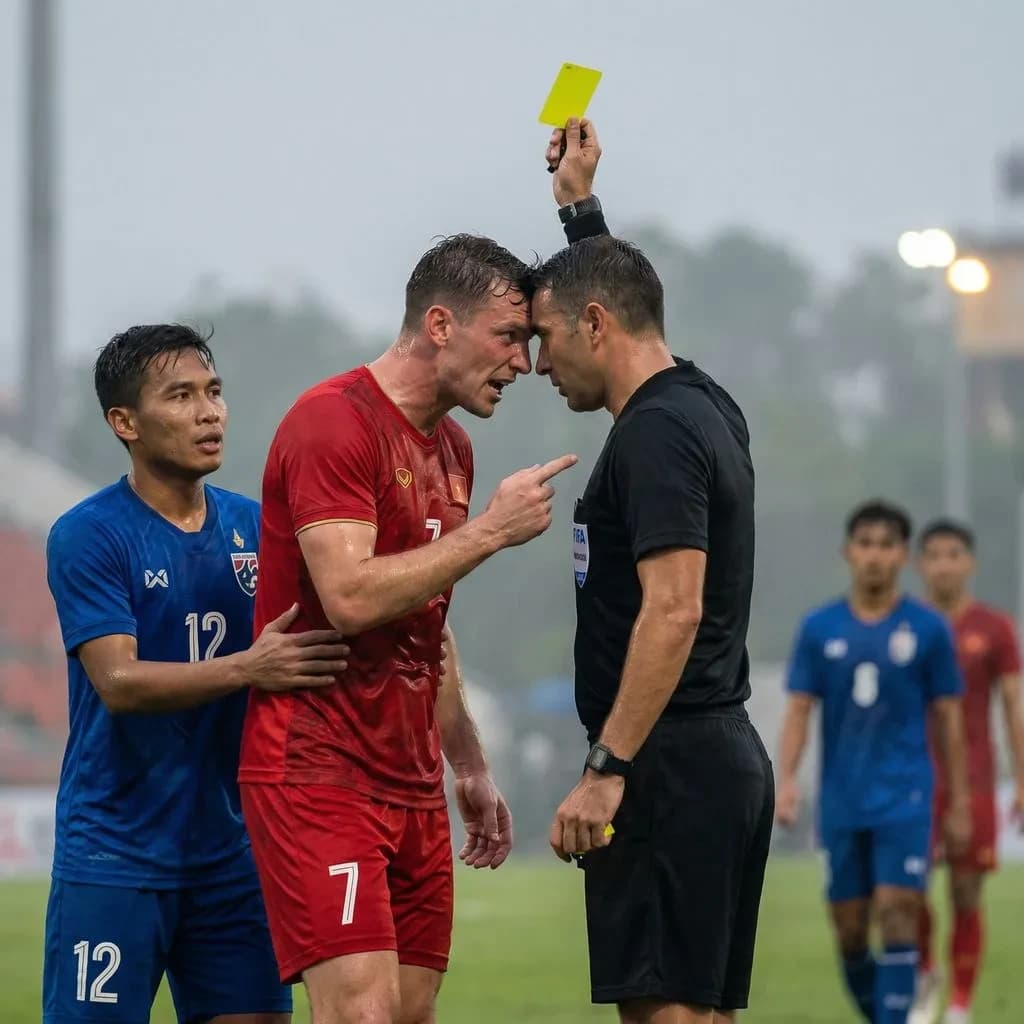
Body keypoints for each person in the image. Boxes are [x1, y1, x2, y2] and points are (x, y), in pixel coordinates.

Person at [238, 201, 610, 1023]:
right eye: (509, 337)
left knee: (406, 1016)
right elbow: (351, 596)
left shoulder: (453, 447)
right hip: (318, 766)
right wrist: (487, 534)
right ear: (440, 323)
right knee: (361, 1015)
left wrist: (468, 766)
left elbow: (425, 624)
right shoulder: (334, 420)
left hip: (409, 778)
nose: (525, 361)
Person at [534, 120, 774, 1024]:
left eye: (546, 338)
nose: (536, 363)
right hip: (709, 758)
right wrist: (579, 212)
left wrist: (607, 765)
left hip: (667, 764)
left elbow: (673, 610)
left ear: (593, 326)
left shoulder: (655, 434)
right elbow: (616, 292)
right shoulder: (700, 400)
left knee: (668, 1016)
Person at [43, 324, 350, 1024]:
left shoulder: (256, 526)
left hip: (234, 855)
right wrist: (251, 666)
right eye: (180, 396)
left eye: (213, 392)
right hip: (115, 854)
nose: (209, 412)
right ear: (125, 422)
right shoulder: (89, 533)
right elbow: (117, 683)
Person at [776, 500, 972, 1024]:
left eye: (886, 546)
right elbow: (798, 709)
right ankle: (894, 1008)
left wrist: (959, 804)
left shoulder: (929, 630)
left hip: (906, 797)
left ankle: (898, 1011)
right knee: (851, 929)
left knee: (898, 909)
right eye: (865, 544)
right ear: (848, 552)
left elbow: (950, 721)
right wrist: (787, 781)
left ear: (903, 556)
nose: (875, 556)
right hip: (842, 800)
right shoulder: (820, 628)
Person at [909, 519, 1024, 1024]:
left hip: (973, 781)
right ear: (920, 564)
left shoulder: (994, 628)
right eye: (933, 555)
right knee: (906, 890)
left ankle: (959, 1003)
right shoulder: (905, 623)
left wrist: (1021, 778)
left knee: (965, 889)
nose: (943, 564)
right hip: (911, 779)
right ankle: (925, 977)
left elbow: (1014, 705)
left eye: (953, 554)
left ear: (969, 562)